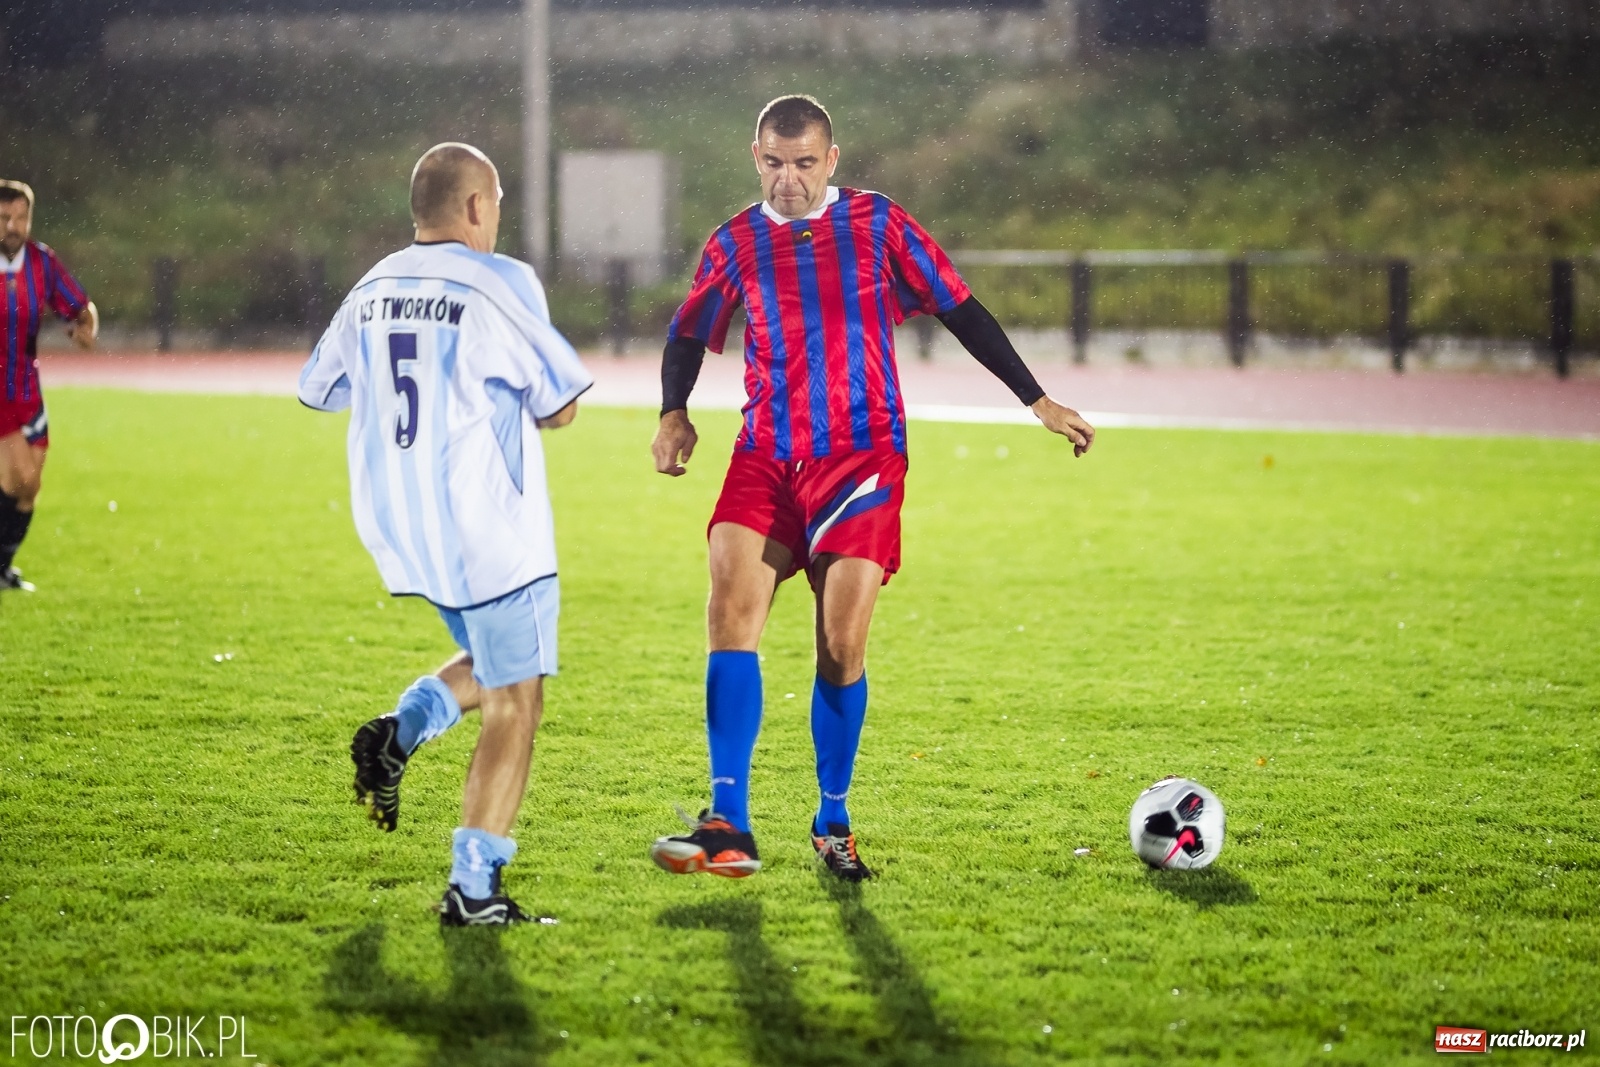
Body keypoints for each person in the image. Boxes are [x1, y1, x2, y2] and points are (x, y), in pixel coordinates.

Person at [648, 95, 1096, 882]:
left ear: (833, 160)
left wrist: (1038, 400)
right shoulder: (735, 241)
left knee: (841, 643)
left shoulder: (880, 225)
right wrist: (673, 412)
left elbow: (962, 310)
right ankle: (730, 821)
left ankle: (831, 817)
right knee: (729, 611)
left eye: (805, 163)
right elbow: (689, 329)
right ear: (756, 157)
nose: (789, 179)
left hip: (861, 457)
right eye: (774, 163)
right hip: (764, 454)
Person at [298, 143, 592, 926]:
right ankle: (474, 889)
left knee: (499, 664)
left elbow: (318, 387)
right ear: (473, 207)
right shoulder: (500, 281)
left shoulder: (372, 283)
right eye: (494, 202)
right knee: (517, 704)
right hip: (488, 527)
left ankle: (404, 730)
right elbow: (560, 402)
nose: (497, 218)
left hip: (401, 529)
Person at [0, 179, 98, 592]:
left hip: (26, 384)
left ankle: (2, 567)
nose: (13, 226)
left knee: (29, 487)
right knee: (19, 475)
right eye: (5, 218)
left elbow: (80, 307)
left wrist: (87, 328)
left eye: (21, 217)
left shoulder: (42, 263)